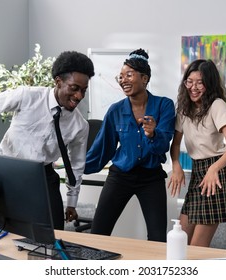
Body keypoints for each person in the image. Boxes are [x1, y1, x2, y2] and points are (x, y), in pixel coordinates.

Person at [0, 51, 95, 230]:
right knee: (3, 231)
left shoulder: (80, 125)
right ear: (58, 81)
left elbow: (76, 165)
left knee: (53, 234)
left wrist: (71, 202)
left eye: (83, 90)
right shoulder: (27, 96)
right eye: (74, 88)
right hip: (7, 171)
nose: (79, 96)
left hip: (43, 176)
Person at [84, 49, 175, 242]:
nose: (123, 80)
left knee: (158, 237)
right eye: (121, 76)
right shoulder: (115, 110)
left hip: (151, 178)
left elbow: (163, 145)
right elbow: (103, 147)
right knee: (99, 231)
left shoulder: (164, 106)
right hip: (120, 175)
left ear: (144, 78)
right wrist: (77, 166)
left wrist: (153, 134)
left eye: (129, 75)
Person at [168, 59, 226, 247]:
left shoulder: (217, 105)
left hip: (217, 172)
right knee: (180, 239)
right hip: (198, 171)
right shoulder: (184, 109)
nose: (193, 87)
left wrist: (213, 169)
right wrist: (176, 165)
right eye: (189, 81)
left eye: (200, 82)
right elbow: (175, 145)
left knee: (197, 247)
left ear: (209, 83)